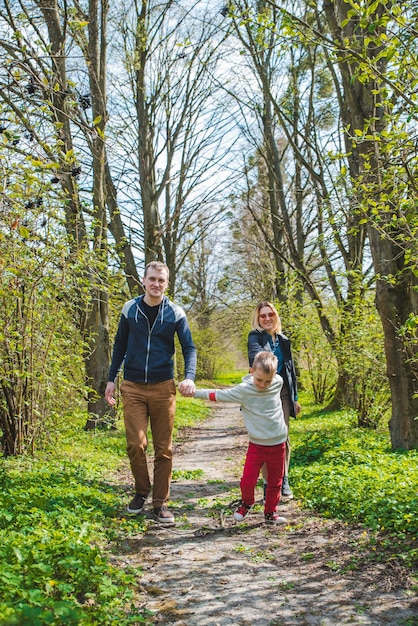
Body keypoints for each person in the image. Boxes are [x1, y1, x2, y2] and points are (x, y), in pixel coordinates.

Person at [105, 261, 196, 527]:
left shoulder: (176, 313)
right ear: (143, 281)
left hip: (162, 387)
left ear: (167, 284)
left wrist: (189, 377)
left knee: (163, 449)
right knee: (136, 444)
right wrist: (111, 378)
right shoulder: (130, 309)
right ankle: (141, 491)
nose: (156, 284)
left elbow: (189, 348)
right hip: (132, 386)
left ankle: (160, 503)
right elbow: (120, 345)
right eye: (152, 279)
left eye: (161, 280)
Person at [180, 351, 288, 525]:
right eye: (259, 379)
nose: (263, 385)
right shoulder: (244, 390)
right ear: (251, 372)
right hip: (257, 445)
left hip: (278, 443)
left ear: (274, 376)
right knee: (247, 480)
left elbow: (273, 375)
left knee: (275, 482)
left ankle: (270, 513)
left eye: (267, 380)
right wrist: (193, 392)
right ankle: (247, 503)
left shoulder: (278, 382)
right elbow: (216, 395)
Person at [248, 301, 301, 499]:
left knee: (283, 436)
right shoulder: (255, 337)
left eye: (270, 314)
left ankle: (284, 478)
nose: (267, 318)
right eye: (263, 316)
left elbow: (291, 370)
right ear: (258, 319)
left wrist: (294, 398)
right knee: (264, 438)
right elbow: (256, 356)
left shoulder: (284, 340)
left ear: (275, 316)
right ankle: (267, 482)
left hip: (284, 393)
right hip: (263, 393)